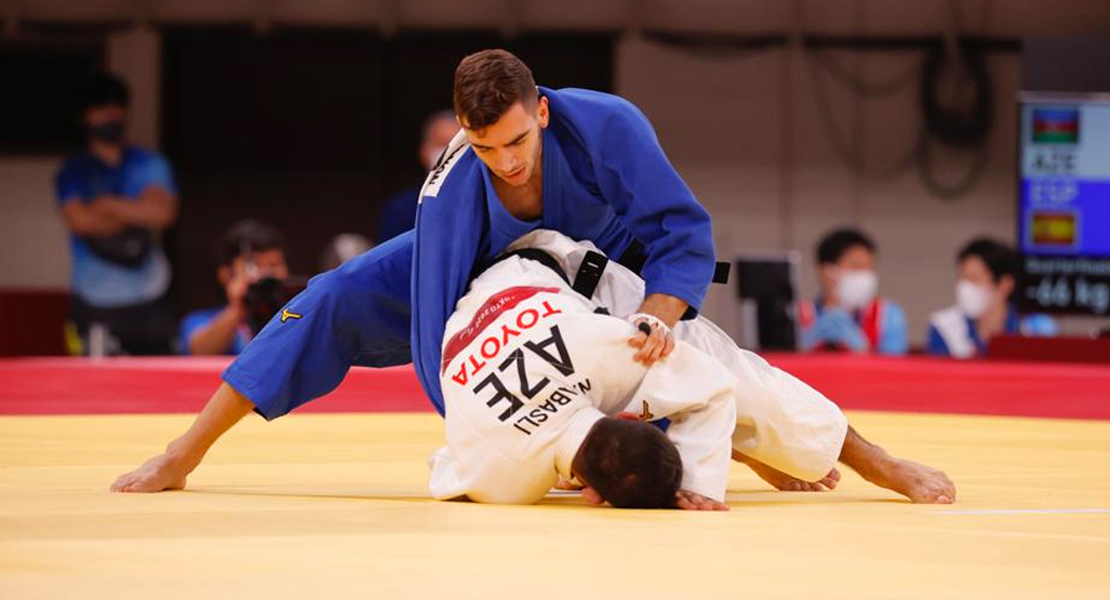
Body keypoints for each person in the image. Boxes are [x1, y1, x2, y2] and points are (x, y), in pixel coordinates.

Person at [111, 49, 716, 494]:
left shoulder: (609, 126)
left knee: (690, 358)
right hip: (486, 270)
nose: (505, 162)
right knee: (331, 295)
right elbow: (438, 342)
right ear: (462, 133)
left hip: (602, 264)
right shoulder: (449, 190)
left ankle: (721, 455)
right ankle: (183, 451)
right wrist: (497, 439)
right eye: (485, 147)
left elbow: (682, 231)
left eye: (517, 141)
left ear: (544, 112)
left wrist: (654, 317)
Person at [430, 230, 955, 508]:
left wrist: (702, 482)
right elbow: (447, 465)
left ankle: (875, 460)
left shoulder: (502, 476)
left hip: (554, 271)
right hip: (497, 313)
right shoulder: (499, 477)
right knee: (683, 387)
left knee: (735, 375)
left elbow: (717, 383)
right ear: (590, 491)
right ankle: (728, 444)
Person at [56, 73, 179, 355]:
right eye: (102, 109)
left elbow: (162, 213)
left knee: (157, 386)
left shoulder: (149, 163)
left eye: (117, 108)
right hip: (93, 301)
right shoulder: (73, 170)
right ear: (86, 116)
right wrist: (135, 209)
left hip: (150, 297)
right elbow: (81, 221)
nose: (111, 116)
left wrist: (105, 204)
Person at [928, 238, 1057, 359]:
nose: (965, 288)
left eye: (974, 279)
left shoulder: (1036, 329)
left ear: (1005, 285)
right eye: (962, 278)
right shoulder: (944, 327)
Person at [179, 220, 289, 355]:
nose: (265, 275)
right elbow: (199, 352)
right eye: (256, 267)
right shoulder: (200, 320)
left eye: (274, 265)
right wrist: (237, 308)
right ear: (226, 275)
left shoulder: (299, 314)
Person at [798, 228, 908, 355]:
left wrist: (863, 350)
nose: (864, 275)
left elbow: (895, 368)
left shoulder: (886, 316)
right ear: (826, 271)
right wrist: (801, 349)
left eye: (869, 268)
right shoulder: (798, 315)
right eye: (856, 266)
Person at [375, 111, 460, 242]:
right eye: (441, 144)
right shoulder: (401, 210)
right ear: (424, 152)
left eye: (457, 147)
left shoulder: (487, 203)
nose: (448, 154)